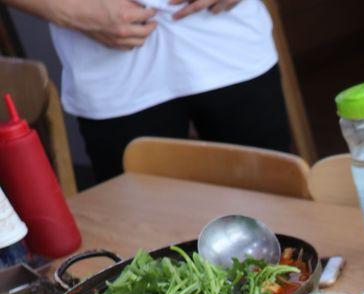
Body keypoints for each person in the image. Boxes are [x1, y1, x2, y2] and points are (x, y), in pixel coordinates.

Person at [4, 0, 292, 181]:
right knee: (149, 256)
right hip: (112, 77)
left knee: (279, 222)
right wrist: (67, 8)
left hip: (231, 48)